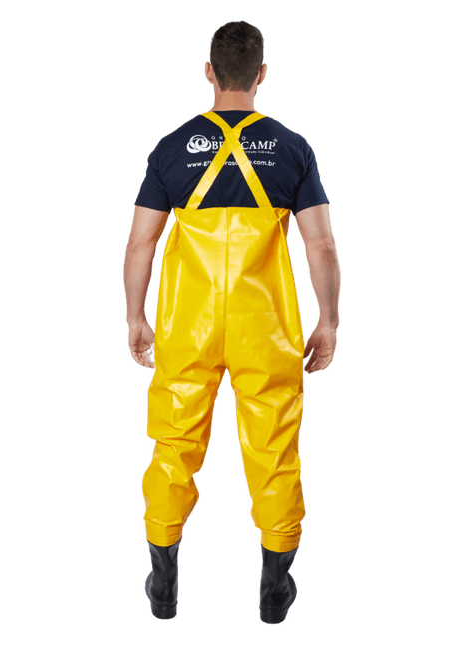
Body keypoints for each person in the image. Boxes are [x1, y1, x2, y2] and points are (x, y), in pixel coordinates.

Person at [122, 19, 341, 624]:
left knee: (174, 445)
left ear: (209, 73)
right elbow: (320, 245)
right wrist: (328, 321)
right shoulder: (293, 147)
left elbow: (141, 243)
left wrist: (136, 316)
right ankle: (274, 592)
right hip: (264, 325)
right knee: (274, 449)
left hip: (186, 324)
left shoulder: (170, 147)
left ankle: (162, 586)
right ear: (261, 74)